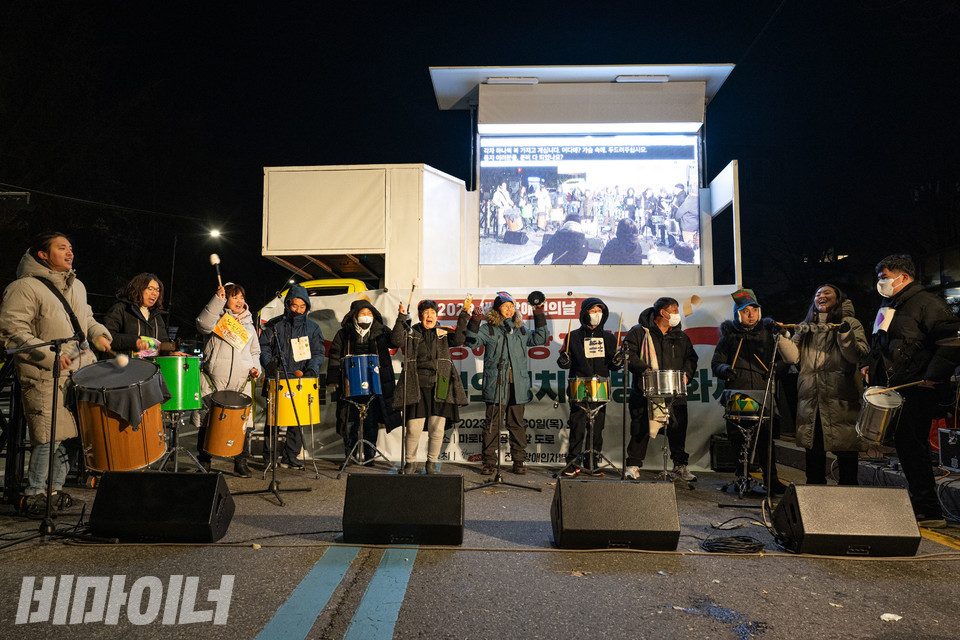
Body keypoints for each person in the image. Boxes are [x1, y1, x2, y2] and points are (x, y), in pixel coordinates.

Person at [0, 233, 112, 514]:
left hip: (80, 373)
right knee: (48, 436)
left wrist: (99, 334)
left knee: (76, 434)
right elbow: (12, 332)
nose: (69, 252)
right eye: (61, 248)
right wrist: (50, 356)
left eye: (70, 248)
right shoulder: (23, 287)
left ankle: (54, 490)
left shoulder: (77, 286)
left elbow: (87, 319)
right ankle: (34, 492)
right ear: (42, 254)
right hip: (45, 374)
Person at [861, 254, 960, 528]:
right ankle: (920, 505)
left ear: (904, 277)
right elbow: (878, 342)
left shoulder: (928, 303)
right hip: (894, 389)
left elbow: (953, 341)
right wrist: (868, 365)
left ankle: (929, 510)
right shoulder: (889, 305)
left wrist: (933, 376)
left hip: (917, 388)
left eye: (885, 277)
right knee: (906, 449)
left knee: (914, 449)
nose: (880, 282)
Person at [711, 288, 798, 494]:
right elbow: (716, 364)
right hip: (737, 394)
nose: (751, 315)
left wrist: (775, 370)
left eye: (754, 310)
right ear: (737, 314)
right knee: (738, 440)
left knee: (766, 441)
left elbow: (785, 360)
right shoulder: (729, 337)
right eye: (745, 311)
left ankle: (771, 480)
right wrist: (726, 370)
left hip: (763, 393)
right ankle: (743, 478)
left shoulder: (769, 334)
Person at [465, 291, 549, 474]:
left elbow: (541, 338)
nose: (509, 310)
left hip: (518, 386)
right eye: (505, 306)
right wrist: (475, 320)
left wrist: (538, 312)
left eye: (512, 306)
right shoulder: (489, 329)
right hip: (496, 385)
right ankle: (489, 462)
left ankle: (518, 461)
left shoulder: (521, 329)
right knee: (492, 424)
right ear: (497, 309)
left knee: (517, 423)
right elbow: (471, 342)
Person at [792, 285, 868, 486]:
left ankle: (849, 497)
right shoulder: (806, 326)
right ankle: (814, 498)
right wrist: (781, 338)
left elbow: (856, 354)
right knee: (814, 452)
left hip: (841, 397)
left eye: (827, 293)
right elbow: (792, 357)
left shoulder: (850, 323)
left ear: (838, 299)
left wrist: (844, 333)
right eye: (818, 294)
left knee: (847, 452)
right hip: (811, 399)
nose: (821, 296)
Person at [623, 297, 699, 481]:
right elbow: (628, 354)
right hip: (645, 390)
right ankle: (633, 466)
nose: (677, 315)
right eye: (674, 311)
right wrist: (643, 369)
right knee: (640, 428)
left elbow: (691, 358)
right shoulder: (639, 332)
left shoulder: (680, 336)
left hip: (674, 392)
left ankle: (680, 466)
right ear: (662, 313)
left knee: (677, 430)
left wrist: (687, 375)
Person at [392, 298, 470, 474]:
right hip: (416, 383)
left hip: (441, 382)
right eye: (426, 312)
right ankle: (410, 463)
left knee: (437, 428)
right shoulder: (411, 331)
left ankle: (431, 463)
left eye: (433, 313)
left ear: (437, 316)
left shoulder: (443, 332)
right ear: (420, 315)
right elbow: (396, 341)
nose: (430, 316)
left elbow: (459, 339)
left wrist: (463, 316)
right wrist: (401, 317)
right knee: (413, 429)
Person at [194, 283, 262, 477]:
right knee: (208, 421)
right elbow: (202, 324)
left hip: (241, 382)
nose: (239, 301)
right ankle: (204, 461)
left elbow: (255, 352)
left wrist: (255, 368)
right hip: (214, 380)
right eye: (234, 297)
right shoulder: (216, 320)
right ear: (226, 300)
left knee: (241, 424)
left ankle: (240, 461)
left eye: (241, 297)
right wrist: (217, 299)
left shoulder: (249, 325)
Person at [258, 284, 325, 469]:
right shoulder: (274, 325)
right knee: (273, 420)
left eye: (302, 306)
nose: (298, 310)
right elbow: (263, 346)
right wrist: (268, 364)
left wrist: (312, 370)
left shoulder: (313, 328)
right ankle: (269, 457)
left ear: (307, 307)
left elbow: (318, 352)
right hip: (277, 377)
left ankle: (290, 456)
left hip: (300, 379)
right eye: (295, 305)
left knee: (297, 419)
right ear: (288, 304)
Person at [327, 299, 400, 464]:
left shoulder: (381, 331)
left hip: (374, 383)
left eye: (369, 313)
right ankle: (350, 454)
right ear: (354, 315)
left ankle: (370, 455)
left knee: (371, 420)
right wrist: (333, 380)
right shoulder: (343, 333)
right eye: (362, 313)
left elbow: (396, 342)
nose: (366, 316)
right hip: (350, 383)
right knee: (349, 420)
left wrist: (401, 319)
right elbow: (334, 355)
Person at [557, 298, 623, 476]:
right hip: (579, 384)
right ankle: (573, 462)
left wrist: (617, 362)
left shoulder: (609, 338)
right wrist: (564, 360)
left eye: (599, 311)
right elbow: (564, 362)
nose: (596, 314)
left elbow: (613, 365)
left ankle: (592, 462)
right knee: (577, 425)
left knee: (597, 427)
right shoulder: (573, 336)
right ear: (585, 313)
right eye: (593, 311)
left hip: (600, 386)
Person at [102, 273, 174, 356]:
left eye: (157, 290)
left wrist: (171, 353)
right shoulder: (121, 309)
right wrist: (135, 341)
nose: (155, 293)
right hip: (123, 362)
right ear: (138, 289)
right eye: (150, 289)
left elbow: (163, 342)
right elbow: (108, 336)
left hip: (150, 363)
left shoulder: (157, 316)